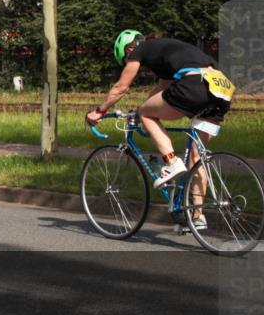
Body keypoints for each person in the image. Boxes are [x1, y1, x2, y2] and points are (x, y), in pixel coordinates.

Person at [86, 31, 234, 231]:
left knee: (147, 114)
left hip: (194, 84)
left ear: (129, 49)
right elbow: (160, 91)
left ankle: (171, 162)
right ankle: (197, 216)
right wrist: (140, 109)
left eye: (127, 60)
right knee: (197, 158)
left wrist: (99, 111)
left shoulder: (140, 50)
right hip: (221, 90)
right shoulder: (166, 52)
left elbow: (121, 87)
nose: (133, 63)